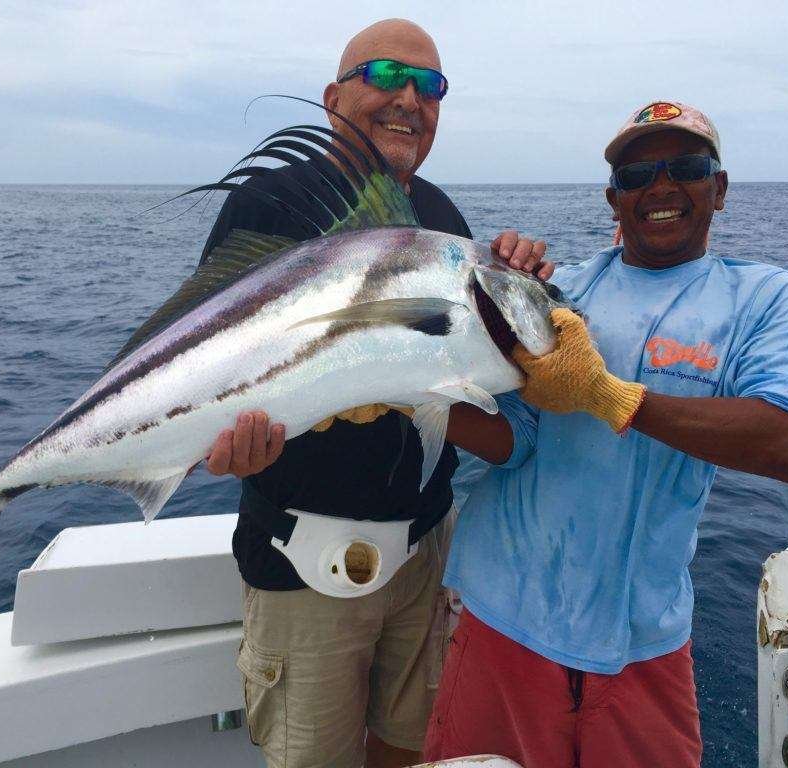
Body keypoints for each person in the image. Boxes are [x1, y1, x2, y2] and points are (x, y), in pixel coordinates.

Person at [422, 102, 788, 767]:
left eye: (687, 167)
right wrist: (411, 401)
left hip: (643, 642)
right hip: (501, 620)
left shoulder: (761, 298)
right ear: (613, 199)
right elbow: (518, 439)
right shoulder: (561, 295)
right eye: (639, 173)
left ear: (719, 188)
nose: (662, 186)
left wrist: (610, 397)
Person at [201, 19, 547, 768]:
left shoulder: (444, 219)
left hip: (425, 551)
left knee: (411, 748)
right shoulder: (270, 204)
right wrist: (219, 445)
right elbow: (208, 365)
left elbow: (458, 372)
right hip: (301, 565)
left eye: (430, 86)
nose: (409, 100)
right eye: (387, 75)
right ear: (333, 97)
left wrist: (525, 292)